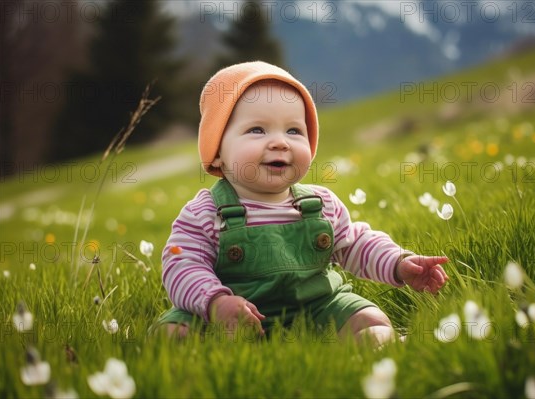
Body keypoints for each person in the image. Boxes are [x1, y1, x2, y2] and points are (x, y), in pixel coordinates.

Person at [157, 61, 449, 345]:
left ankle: (382, 346)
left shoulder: (320, 204)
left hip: (315, 308)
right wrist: (215, 302)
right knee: (173, 333)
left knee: (371, 320)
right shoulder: (204, 213)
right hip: (230, 317)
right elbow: (182, 264)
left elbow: (356, 245)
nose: (280, 142)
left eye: (294, 131)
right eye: (257, 130)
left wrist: (399, 263)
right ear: (217, 150)